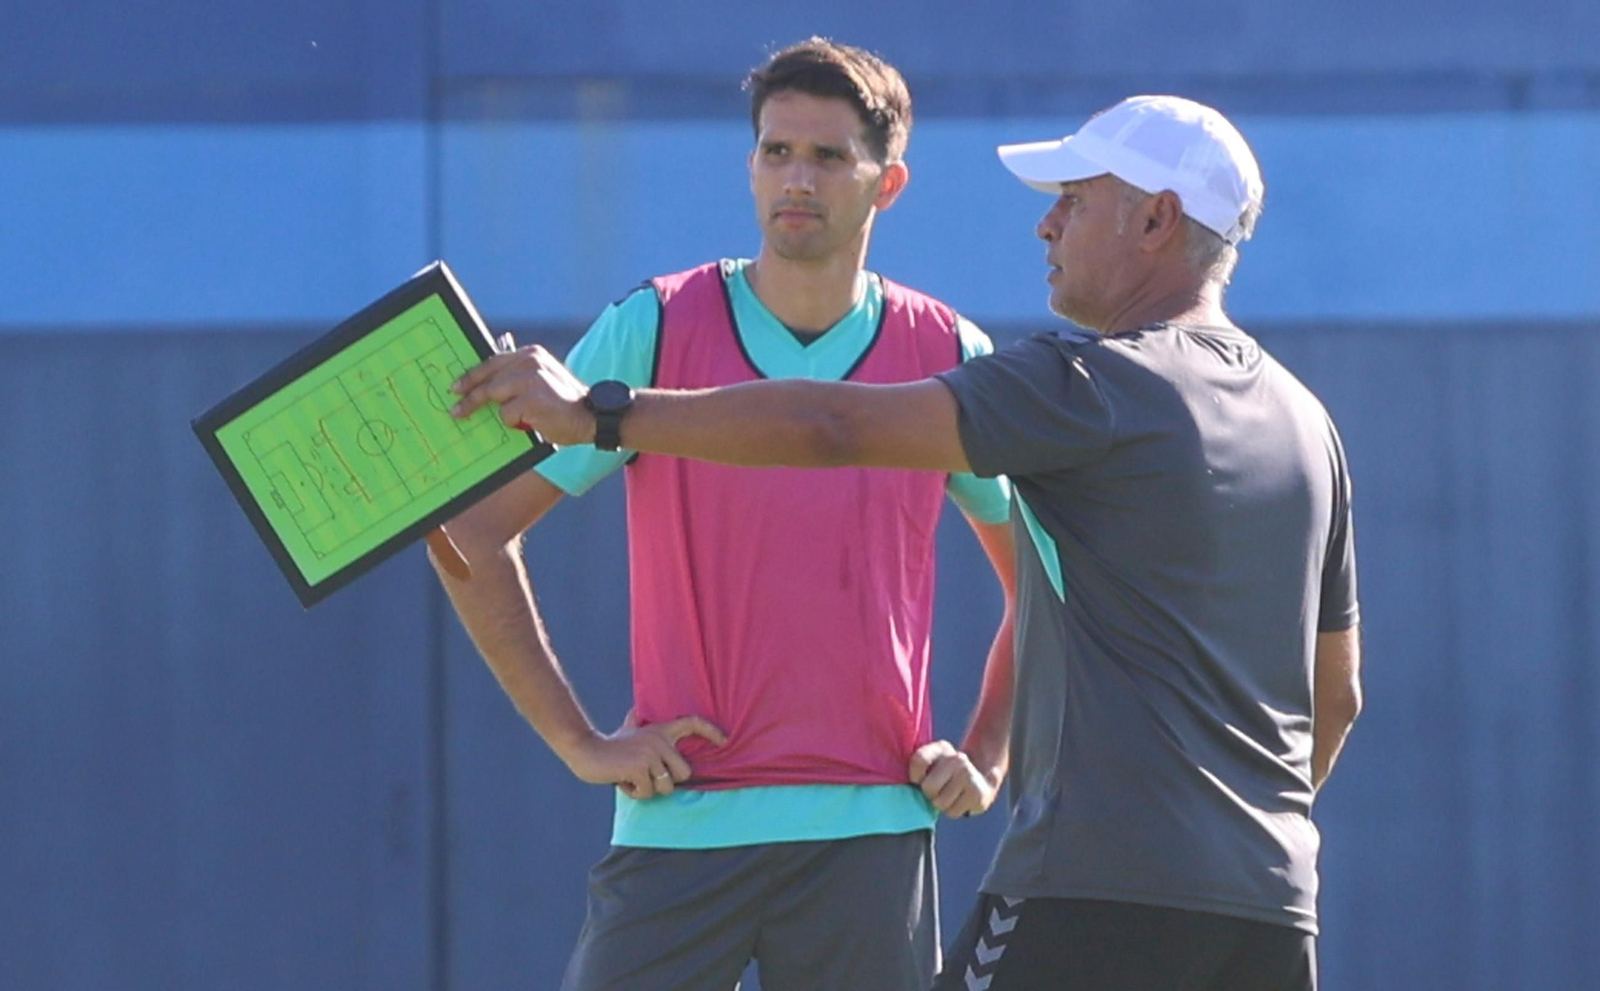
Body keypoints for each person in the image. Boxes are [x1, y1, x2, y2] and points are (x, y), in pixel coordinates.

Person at [453, 94, 1364, 991]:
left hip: (1092, 888)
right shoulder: (1308, 424)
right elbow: (1340, 696)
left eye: (1075, 200)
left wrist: (603, 413)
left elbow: (830, 429)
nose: (1048, 226)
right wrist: (1228, 843)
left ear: (1157, 219)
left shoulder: (1077, 383)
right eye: (775, 151)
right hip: (1269, 904)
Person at [430, 37, 1019, 991]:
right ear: (749, 166)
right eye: (776, 152)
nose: (797, 178)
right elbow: (468, 531)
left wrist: (986, 750)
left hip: (870, 834)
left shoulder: (949, 349)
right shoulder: (653, 327)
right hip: (679, 823)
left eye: (828, 157)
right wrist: (582, 743)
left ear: (889, 183)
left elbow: (1042, 579)